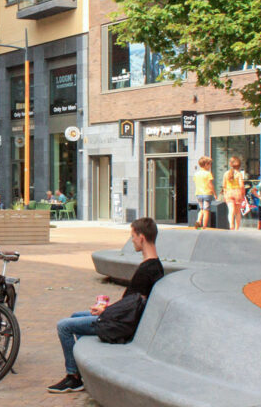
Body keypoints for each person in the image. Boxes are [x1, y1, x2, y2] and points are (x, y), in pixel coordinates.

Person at [47, 217, 164, 394]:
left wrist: (105, 311)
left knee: (63, 326)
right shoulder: (155, 266)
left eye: (132, 236)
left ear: (141, 237)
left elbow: (131, 307)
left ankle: (73, 377)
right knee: (75, 317)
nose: (131, 240)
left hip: (122, 326)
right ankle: (80, 372)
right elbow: (132, 303)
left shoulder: (147, 270)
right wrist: (107, 309)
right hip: (124, 319)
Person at [221, 156, 245, 230]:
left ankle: (231, 225)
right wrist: (243, 194)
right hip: (237, 192)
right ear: (239, 165)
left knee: (231, 211)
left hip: (229, 192)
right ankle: (237, 228)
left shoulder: (226, 173)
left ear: (230, 164)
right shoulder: (239, 174)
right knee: (237, 212)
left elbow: (224, 186)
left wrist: (225, 195)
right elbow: (241, 185)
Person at [193, 156, 215, 229]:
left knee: (201, 209)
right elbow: (210, 184)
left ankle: (198, 221)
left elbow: (195, 182)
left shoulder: (196, 174)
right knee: (206, 210)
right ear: (206, 165)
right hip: (207, 193)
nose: (210, 166)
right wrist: (214, 193)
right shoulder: (208, 174)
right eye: (209, 164)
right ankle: (204, 226)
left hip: (198, 193)